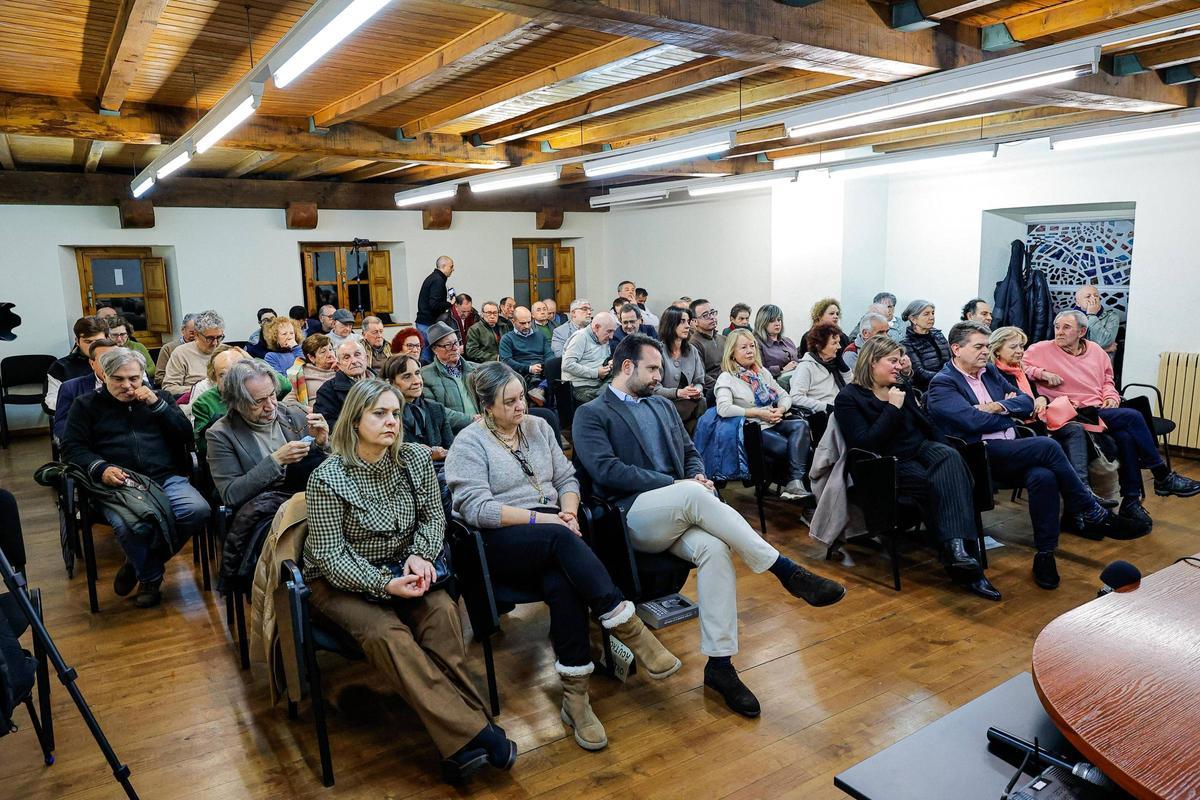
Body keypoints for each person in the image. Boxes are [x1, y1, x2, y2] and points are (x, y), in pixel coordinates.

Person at [574, 334, 844, 717]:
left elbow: (690, 452)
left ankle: (720, 666)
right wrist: (680, 485)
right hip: (630, 517)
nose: (659, 378)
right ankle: (786, 571)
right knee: (693, 496)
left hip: (681, 508)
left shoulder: (662, 407)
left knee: (715, 550)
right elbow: (606, 470)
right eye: (652, 369)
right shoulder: (592, 412)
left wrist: (696, 476)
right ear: (627, 367)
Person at [445, 362, 680, 751]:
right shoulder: (469, 443)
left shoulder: (537, 427)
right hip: (499, 542)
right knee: (559, 541)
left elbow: (566, 479)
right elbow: (476, 509)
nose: (523, 407)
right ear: (486, 405)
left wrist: (568, 511)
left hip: (555, 536)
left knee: (563, 581)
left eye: (522, 396)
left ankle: (576, 699)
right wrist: (544, 520)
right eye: (510, 402)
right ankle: (628, 626)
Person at [303, 379, 517, 783]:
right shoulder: (327, 478)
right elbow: (332, 557)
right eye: (379, 414)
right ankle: (479, 732)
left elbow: (434, 518)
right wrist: (383, 585)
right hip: (339, 581)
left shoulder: (415, 458)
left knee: (441, 615)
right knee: (389, 634)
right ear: (354, 420)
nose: (391, 422)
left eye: (396, 414)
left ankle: (460, 743)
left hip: (404, 565)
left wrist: (420, 554)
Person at [927, 322, 1148, 588]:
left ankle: (1045, 554)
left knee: (1044, 477)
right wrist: (1005, 416)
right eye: (978, 347)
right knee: (1047, 446)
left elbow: (1025, 402)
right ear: (956, 349)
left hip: (1010, 450)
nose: (985, 352)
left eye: (987, 346)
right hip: (977, 458)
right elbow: (972, 422)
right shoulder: (943, 384)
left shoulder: (988, 373)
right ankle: (1091, 510)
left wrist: (996, 407)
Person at [834, 336, 1001, 601]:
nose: (898, 366)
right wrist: (891, 408)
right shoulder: (849, 398)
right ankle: (968, 565)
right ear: (872, 362)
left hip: (920, 448)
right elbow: (865, 442)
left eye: (899, 360)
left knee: (950, 458)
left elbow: (925, 424)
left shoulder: (903, 386)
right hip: (887, 463)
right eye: (892, 361)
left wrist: (952, 448)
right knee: (942, 484)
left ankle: (955, 551)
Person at [61, 347, 210, 608]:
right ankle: (151, 578)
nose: (127, 386)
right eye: (118, 379)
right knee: (130, 526)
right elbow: (72, 448)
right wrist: (100, 468)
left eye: (133, 378)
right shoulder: (86, 406)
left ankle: (139, 562)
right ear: (104, 376)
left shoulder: (159, 398)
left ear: (143, 376)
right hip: (119, 484)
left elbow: (186, 436)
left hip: (165, 477)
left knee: (197, 510)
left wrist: (158, 405)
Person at [1024, 310, 1200, 526]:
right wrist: (1042, 373)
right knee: (1133, 416)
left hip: (1099, 410)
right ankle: (1162, 475)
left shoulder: (1096, 351)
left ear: (1082, 331)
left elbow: (1108, 379)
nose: (1059, 332)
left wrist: (1111, 396)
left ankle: (1131, 501)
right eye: (1057, 326)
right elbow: (1017, 365)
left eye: (1066, 327)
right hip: (1073, 414)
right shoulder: (1040, 349)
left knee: (1126, 436)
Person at [988, 325, 1101, 502]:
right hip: (1022, 430)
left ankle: (1084, 489)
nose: (1020, 351)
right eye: (1013, 347)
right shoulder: (993, 375)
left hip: (1039, 421)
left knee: (1076, 429)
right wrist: (1022, 403)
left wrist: (1040, 399)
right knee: (1068, 446)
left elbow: (1032, 397)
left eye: (1021, 346)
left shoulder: (1020, 371)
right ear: (997, 351)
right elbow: (1009, 407)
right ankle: (1083, 499)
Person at [205, 359, 329, 509]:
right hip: (265, 511)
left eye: (272, 395)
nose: (270, 406)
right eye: (258, 401)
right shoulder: (221, 434)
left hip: (311, 500)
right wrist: (277, 460)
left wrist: (321, 444)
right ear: (237, 403)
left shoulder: (295, 412)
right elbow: (231, 495)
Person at [716, 330, 813, 500]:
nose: (750, 351)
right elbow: (723, 409)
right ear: (732, 352)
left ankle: (794, 483)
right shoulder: (727, 377)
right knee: (800, 450)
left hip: (773, 420)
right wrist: (758, 412)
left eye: (752, 346)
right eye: (743, 347)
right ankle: (798, 489)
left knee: (801, 424)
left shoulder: (761, 373)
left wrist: (780, 409)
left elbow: (784, 395)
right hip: (752, 428)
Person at [190, 346, 290, 453]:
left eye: (238, 373)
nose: (231, 380)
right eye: (223, 375)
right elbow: (203, 446)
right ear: (214, 377)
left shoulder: (259, 391)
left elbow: (285, 386)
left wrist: (253, 362)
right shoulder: (204, 403)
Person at [382, 355, 454, 461]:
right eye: (407, 376)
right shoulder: (387, 416)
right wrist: (428, 455)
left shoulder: (436, 409)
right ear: (391, 382)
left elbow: (452, 450)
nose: (416, 381)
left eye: (417, 373)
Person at [53, 337, 117, 443]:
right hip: (88, 443)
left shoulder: (130, 385)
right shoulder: (71, 388)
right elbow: (62, 425)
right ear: (92, 363)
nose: (110, 364)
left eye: (115, 359)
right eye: (104, 359)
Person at [655, 306, 706, 435]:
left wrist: (697, 390)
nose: (688, 326)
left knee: (701, 402)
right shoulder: (657, 351)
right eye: (682, 321)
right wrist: (678, 393)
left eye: (688, 322)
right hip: (666, 403)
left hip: (690, 401)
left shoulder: (692, 350)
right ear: (671, 324)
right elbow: (654, 389)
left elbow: (699, 380)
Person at [421, 321, 479, 433]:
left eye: (456, 342)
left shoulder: (476, 369)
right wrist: (471, 420)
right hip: (453, 434)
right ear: (434, 349)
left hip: (483, 429)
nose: (455, 348)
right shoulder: (425, 375)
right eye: (448, 345)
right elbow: (436, 411)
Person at [46, 316, 110, 415]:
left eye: (98, 341)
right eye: (88, 342)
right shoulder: (61, 367)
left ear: (107, 338)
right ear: (77, 341)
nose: (93, 346)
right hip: (77, 418)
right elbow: (49, 403)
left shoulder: (123, 361)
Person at [791, 322, 851, 418]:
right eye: (834, 343)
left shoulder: (834, 362)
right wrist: (825, 407)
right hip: (824, 415)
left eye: (838, 342)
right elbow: (795, 397)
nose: (839, 347)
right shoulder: (806, 366)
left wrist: (844, 368)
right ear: (819, 346)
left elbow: (852, 389)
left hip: (842, 408)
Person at [162, 309, 225, 397]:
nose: (215, 343)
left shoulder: (226, 352)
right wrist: (199, 389)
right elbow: (169, 388)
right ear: (196, 335)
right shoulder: (181, 353)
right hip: (195, 402)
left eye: (219, 337)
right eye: (209, 338)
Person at [314, 339, 371, 430]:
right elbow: (328, 425)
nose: (353, 361)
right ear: (339, 365)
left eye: (357, 354)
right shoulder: (327, 391)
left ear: (367, 359)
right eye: (346, 357)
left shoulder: (383, 384)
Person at [562, 311, 617, 403]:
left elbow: (600, 361)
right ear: (596, 327)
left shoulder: (603, 338)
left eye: (613, 331)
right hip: (581, 388)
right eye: (609, 331)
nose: (611, 336)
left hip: (599, 383)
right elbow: (567, 365)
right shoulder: (580, 337)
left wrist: (609, 363)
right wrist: (596, 373)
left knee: (623, 386)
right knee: (610, 399)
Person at [498, 307, 552, 393]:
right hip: (521, 373)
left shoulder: (540, 336)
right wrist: (529, 368)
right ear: (513, 322)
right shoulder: (507, 339)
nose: (527, 326)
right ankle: (540, 389)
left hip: (542, 370)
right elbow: (506, 361)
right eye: (522, 323)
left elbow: (549, 355)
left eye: (529, 322)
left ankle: (541, 389)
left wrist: (545, 366)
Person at [901, 299, 950, 390]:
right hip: (928, 388)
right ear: (913, 319)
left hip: (948, 382)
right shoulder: (907, 343)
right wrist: (946, 377)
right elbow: (919, 373)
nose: (932, 317)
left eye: (933, 313)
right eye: (926, 314)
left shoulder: (938, 334)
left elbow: (951, 358)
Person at [282, 334, 337, 407]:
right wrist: (308, 410)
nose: (330, 354)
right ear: (311, 357)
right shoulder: (299, 374)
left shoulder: (342, 369)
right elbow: (288, 402)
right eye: (323, 352)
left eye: (330, 349)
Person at [416, 256, 454, 360]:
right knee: (427, 357)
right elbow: (434, 305)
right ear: (444, 266)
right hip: (428, 324)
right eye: (451, 266)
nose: (453, 269)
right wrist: (449, 304)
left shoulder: (434, 278)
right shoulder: (438, 281)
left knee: (427, 355)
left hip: (424, 322)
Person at [103, 315, 155, 381]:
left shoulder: (138, 346)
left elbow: (152, 368)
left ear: (128, 334)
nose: (119, 339)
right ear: (108, 335)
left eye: (122, 334)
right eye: (115, 335)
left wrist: (137, 375)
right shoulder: (105, 349)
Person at [752, 304, 798, 380]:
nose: (777, 324)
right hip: (774, 384)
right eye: (772, 320)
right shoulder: (756, 343)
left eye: (779, 319)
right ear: (763, 322)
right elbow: (757, 370)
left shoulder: (788, 341)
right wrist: (782, 369)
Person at [1073, 284, 1120, 355]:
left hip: (1100, 364)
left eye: (1096, 296)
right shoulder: (1068, 317)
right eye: (1088, 296)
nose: (1093, 298)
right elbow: (1067, 346)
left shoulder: (1111, 317)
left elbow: (1105, 342)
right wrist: (1104, 349)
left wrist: (1091, 315)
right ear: (1078, 303)